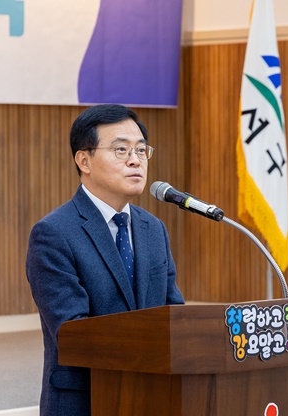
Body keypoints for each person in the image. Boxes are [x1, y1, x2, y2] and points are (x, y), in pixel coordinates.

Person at [25, 104, 184, 416]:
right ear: (84, 160)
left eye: (141, 150)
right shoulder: (54, 233)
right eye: (121, 150)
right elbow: (72, 333)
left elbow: (173, 315)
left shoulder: (153, 229)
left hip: (153, 397)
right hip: (87, 400)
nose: (135, 160)